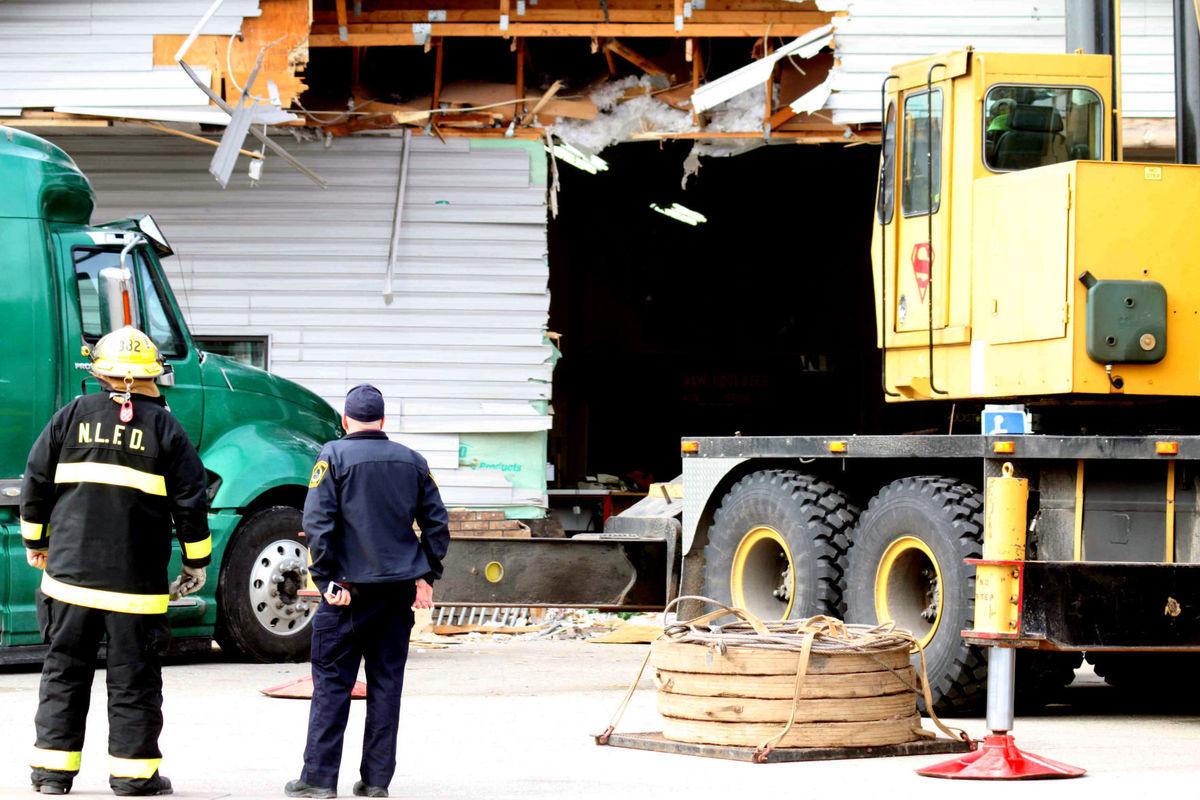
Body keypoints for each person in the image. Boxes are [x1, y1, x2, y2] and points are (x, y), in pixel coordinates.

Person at [20, 326, 211, 796]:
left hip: (69, 580)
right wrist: (195, 563)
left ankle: (52, 774)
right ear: (151, 376)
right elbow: (191, 502)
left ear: (101, 373)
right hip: (135, 588)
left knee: (64, 672)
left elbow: (36, 479)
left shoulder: (71, 416)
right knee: (134, 681)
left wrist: (35, 541)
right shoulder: (166, 429)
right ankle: (133, 776)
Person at [285, 384, 450, 799]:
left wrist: (325, 580)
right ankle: (376, 781)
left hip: (347, 593)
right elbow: (437, 524)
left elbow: (317, 522)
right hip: (396, 595)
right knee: (386, 686)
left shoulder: (333, 456)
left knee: (332, 684)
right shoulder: (413, 461)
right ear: (383, 421)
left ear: (345, 420)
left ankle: (319, 780)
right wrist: (427, 575)